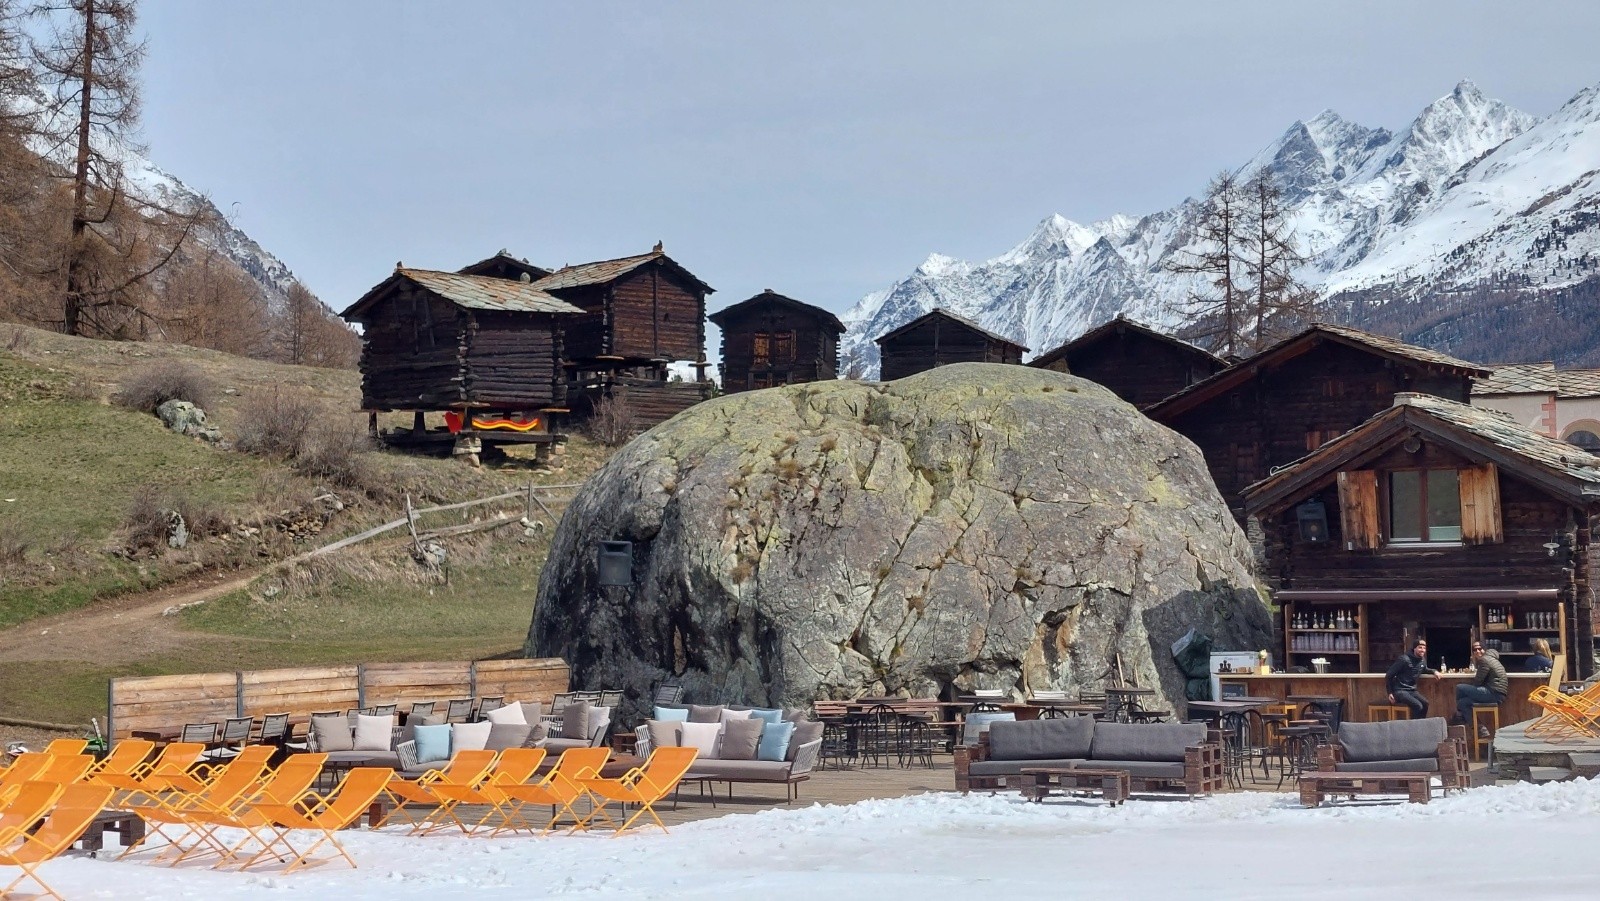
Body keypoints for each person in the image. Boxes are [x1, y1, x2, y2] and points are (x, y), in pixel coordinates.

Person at [1454, 642, 1508, 730]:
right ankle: (1480, 729)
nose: (1478, 651)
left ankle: (1460, 716)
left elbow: (1477, 682)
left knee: (1459, 688)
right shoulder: (1492, 659)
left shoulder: (1484, 660)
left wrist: (1470, 690)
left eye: (1480, 649)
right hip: (1498, 694)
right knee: (1462, 703)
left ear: (1484, 650)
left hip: (1493, 693)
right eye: (1475, 650)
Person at [1386, 637, 1437, 718]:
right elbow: (1389, 675)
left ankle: (1421, 725)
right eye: (1420, 647)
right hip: (1400, 690)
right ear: (1414, 648)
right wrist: (1389, 692)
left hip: (1412, 690)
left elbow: (1424, 669)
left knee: (1425, 703)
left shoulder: (1422, 660)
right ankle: (1413, 727)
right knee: (1418, 706)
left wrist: (1434, 671)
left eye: (1424, 648)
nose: (1422, 650)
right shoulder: (1404, 659)